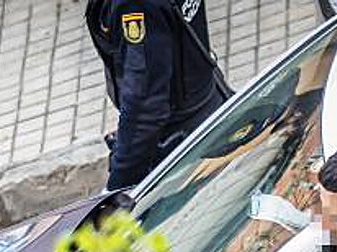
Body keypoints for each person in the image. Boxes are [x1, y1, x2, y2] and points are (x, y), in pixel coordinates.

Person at [85, 0, 231, 190]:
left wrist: (118, 185)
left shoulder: (136, 6)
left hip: (185, 152)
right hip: (211, 110)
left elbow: (145, 106)